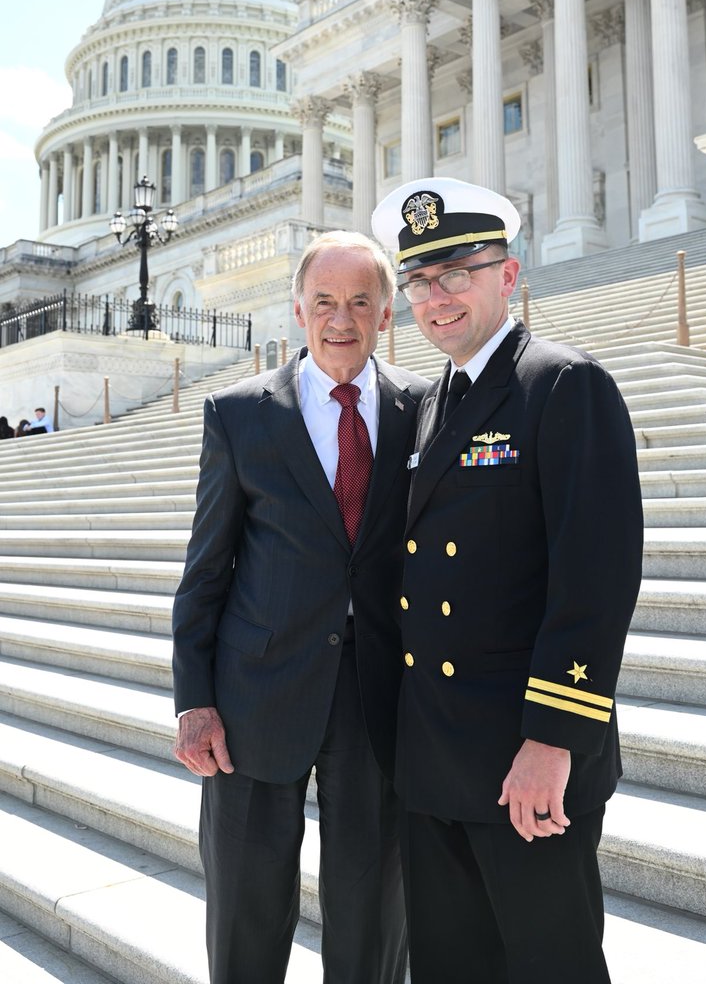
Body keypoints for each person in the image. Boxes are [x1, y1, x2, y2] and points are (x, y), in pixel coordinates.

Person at [371, 178, 643, 984]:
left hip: (524, 756)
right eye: (420, 281)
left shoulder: (560, 383)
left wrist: (553, 740)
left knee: (549, 964)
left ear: (509, 276)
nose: (436, 297)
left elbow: (595, 580)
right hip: (436, 761)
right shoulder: (425, 405)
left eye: (458, 271)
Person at [172, 231, 429, 984]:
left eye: (359, 302)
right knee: (245, 913)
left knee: (373, 914)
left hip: (378, 698)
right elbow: (205, 571)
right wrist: (195, 700)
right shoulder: (240, 414)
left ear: (386, 314)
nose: (340, 318)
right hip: (254, 698)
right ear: (297, 310)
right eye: (324, 302)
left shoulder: (424, 408)